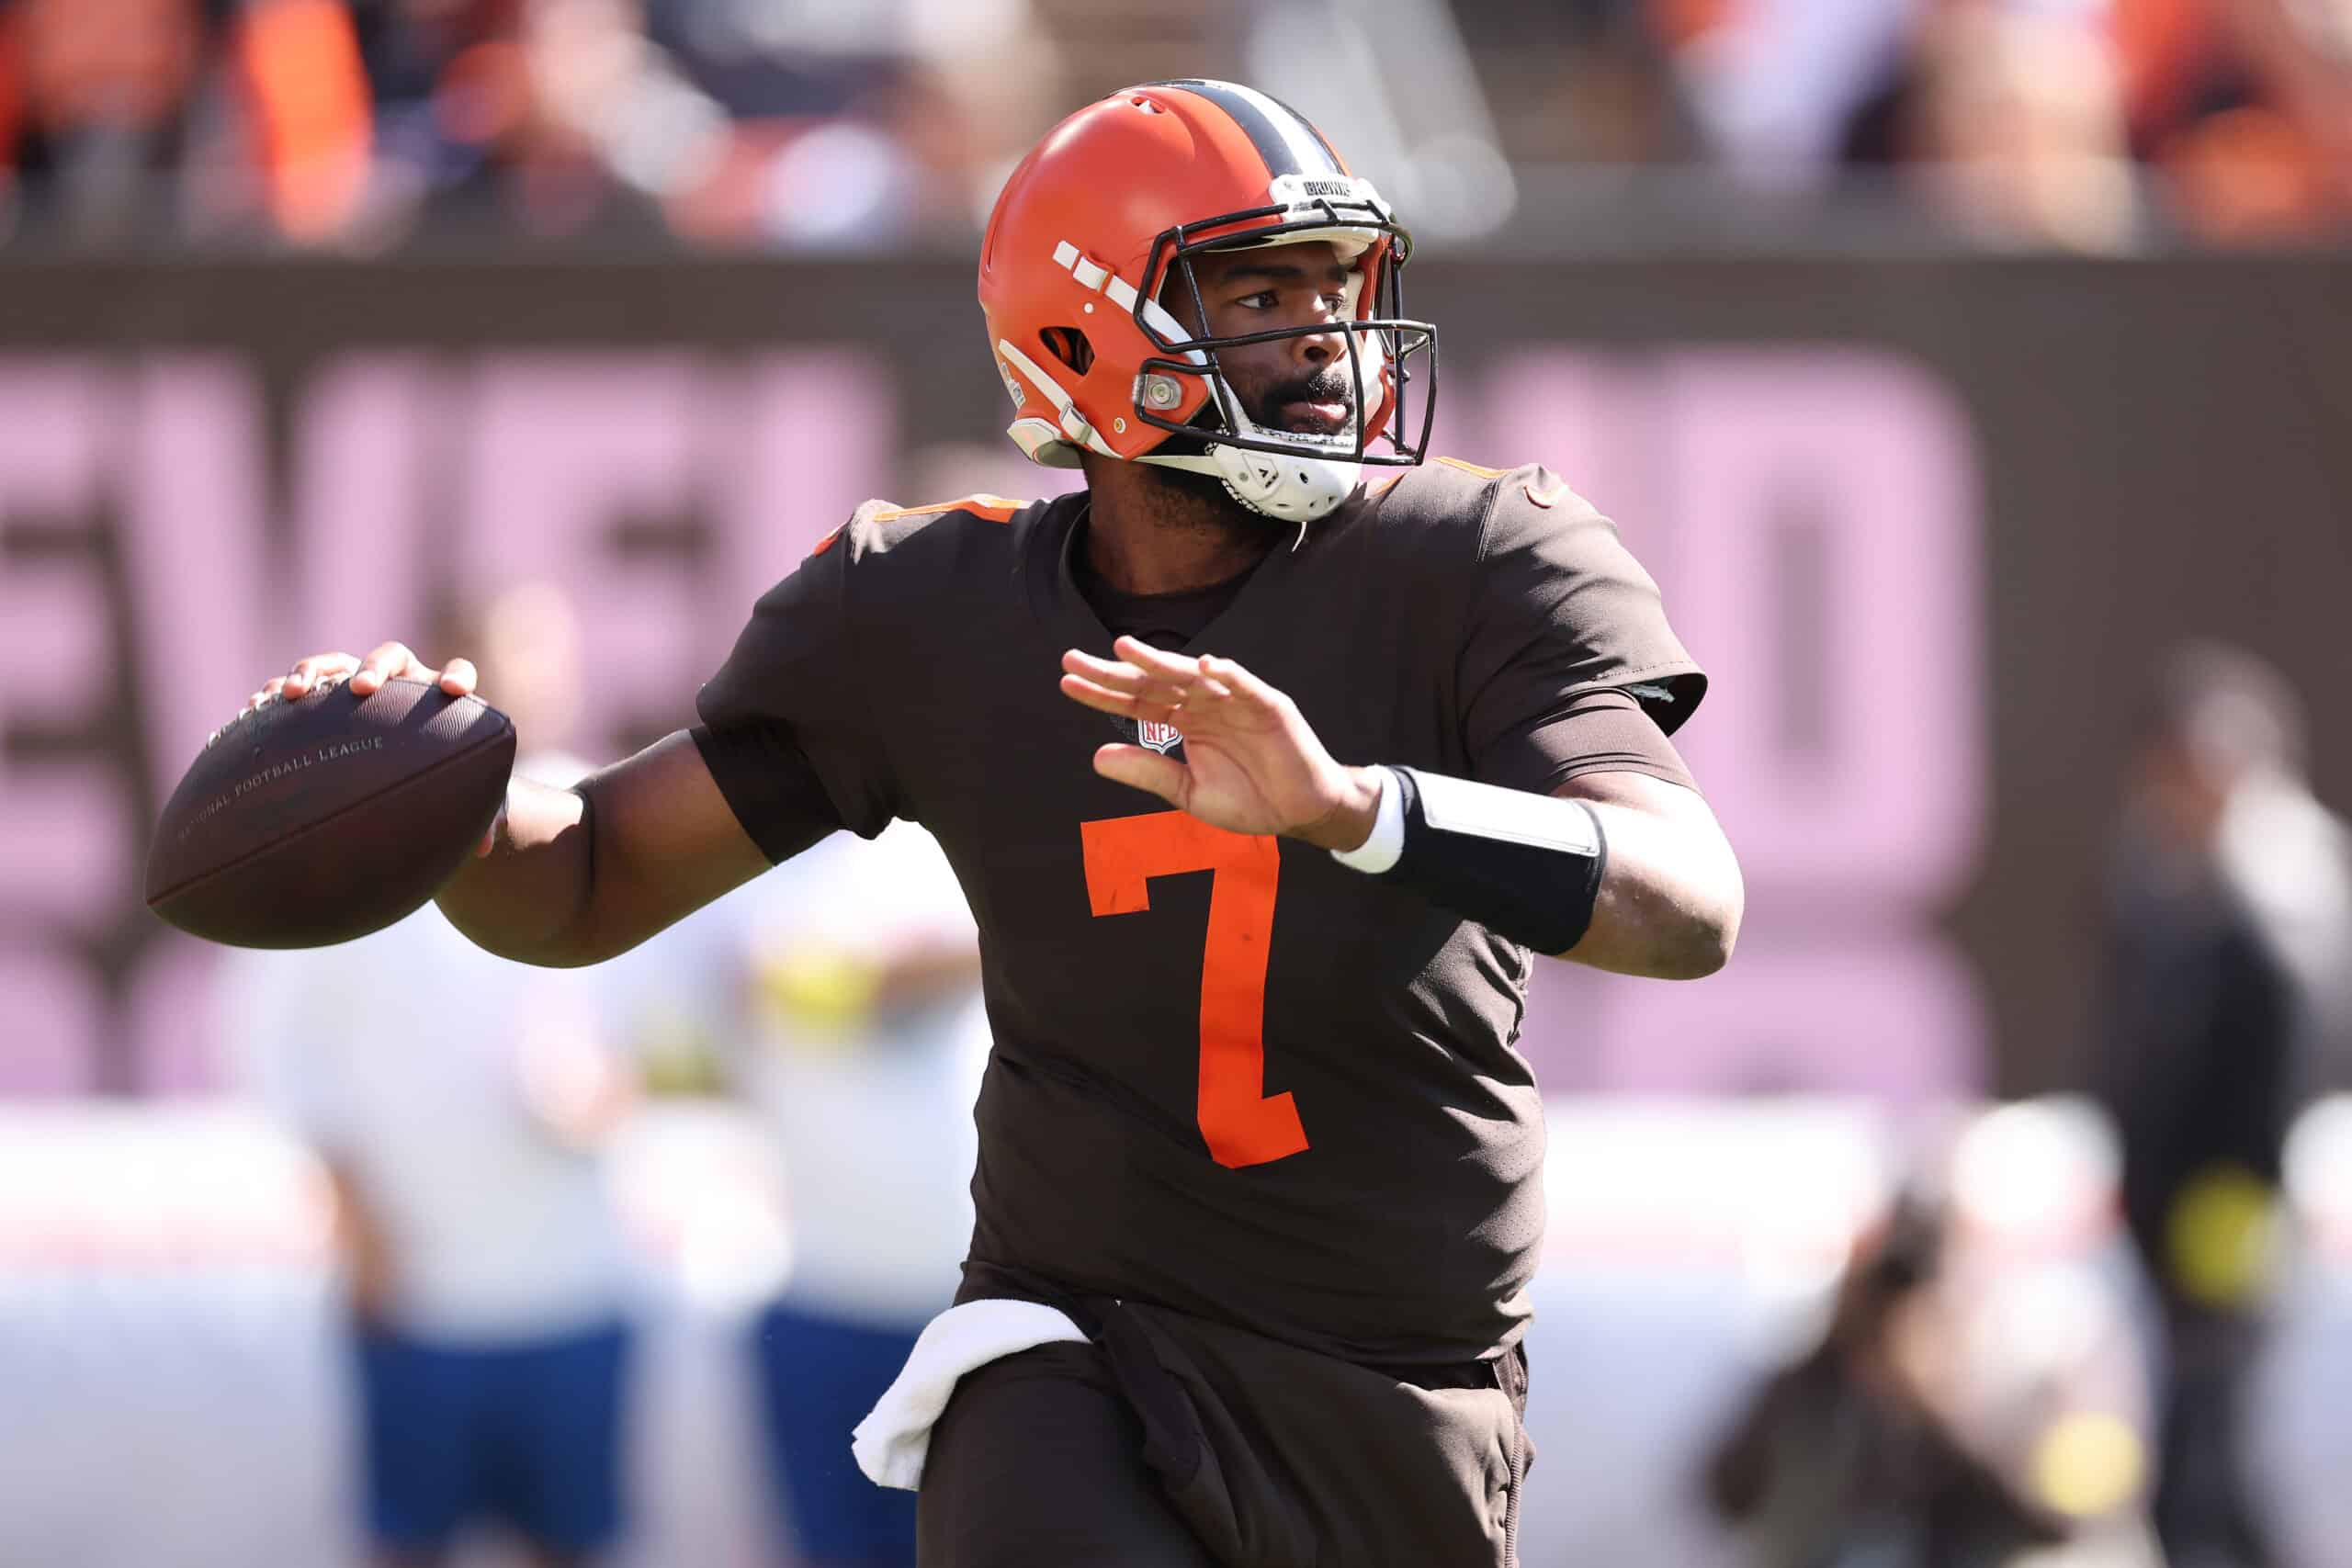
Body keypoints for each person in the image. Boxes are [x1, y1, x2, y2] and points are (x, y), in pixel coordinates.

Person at [237, 77, 1744, 1566]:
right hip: (1074, 1348)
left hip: (1399, 1384)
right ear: (1088, 332)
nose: (1330, 343)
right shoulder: (921, 610)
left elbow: (1684, 899)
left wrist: (1360, 811)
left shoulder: (1487, 558)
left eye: (1334, 287)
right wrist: (444, 802)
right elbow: (580, 894)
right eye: (1258, 295)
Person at [224, 583, 639, 1568]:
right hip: (419, 1294)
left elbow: (694, 1034)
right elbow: (281, 1049)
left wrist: (611, 1092)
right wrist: (355, 1221)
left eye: (542, 653)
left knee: (573, 1545)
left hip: (578, 1285)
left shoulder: (613, 816)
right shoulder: (354, 821)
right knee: (408, 1543)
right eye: (496, 654)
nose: (524, 680)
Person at [2091, 642, 2352, 1568]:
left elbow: (2268, 1067)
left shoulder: (2274, 883)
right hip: (2187, 1212)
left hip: (2226, 1213)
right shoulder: (2181, 876)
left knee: (2210, 1462)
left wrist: (2220, 1203)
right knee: (2199, 1457)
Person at [727, 822, 988, 1568]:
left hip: (970, 1305)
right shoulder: (747, 860)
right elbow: (757, 979)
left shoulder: (960, 843)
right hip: (819, 1292)